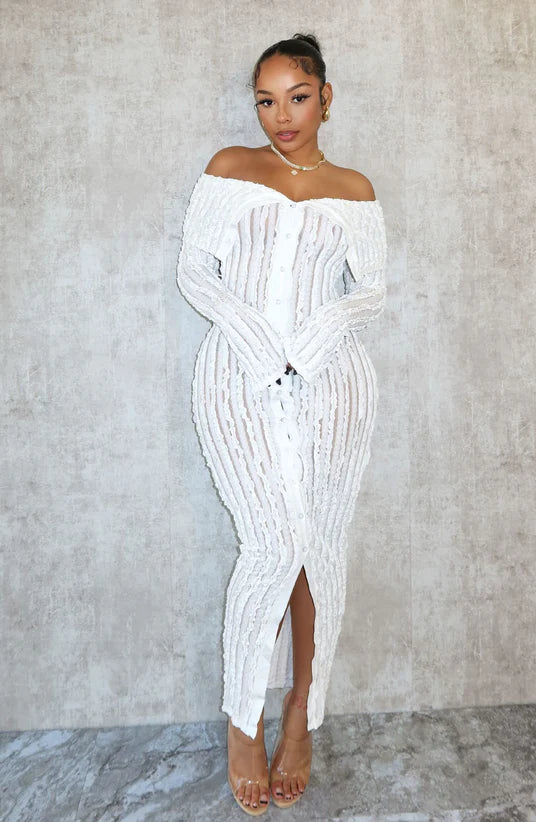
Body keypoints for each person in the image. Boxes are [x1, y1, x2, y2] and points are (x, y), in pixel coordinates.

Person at [176, 32, 387, 816]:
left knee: (316, 547)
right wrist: (266, 348)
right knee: (270, 545)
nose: (281, 116)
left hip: (334, 388)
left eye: (297, 97)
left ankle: (301, 711)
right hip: (239, 379)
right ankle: (244, 721)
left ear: (325, 97)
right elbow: (196, 272)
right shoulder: (232, 167)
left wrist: (315, 343)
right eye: (266, 101)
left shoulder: (355, 188)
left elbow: (370, 290)